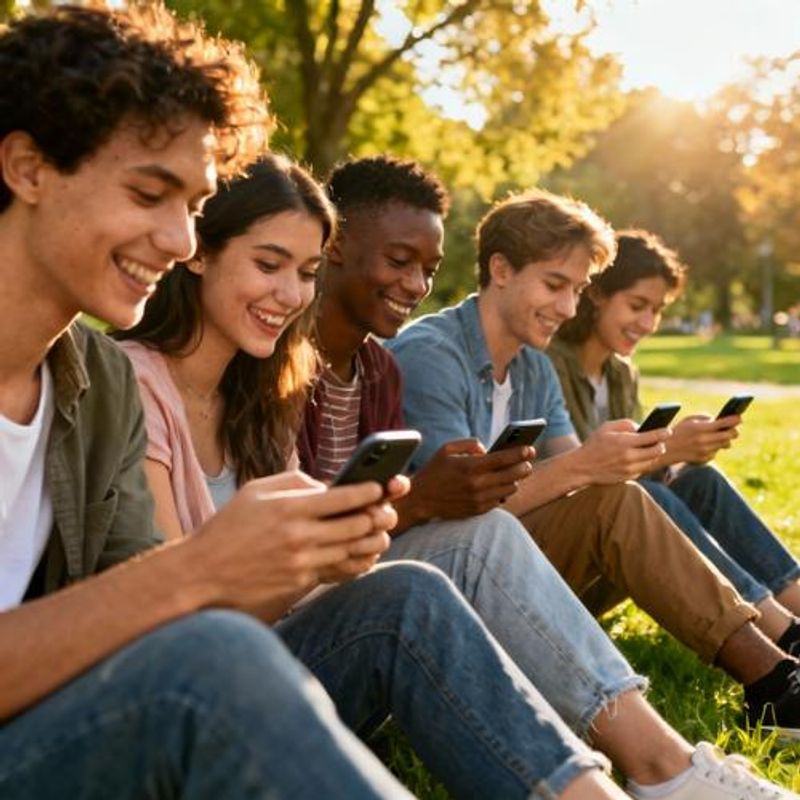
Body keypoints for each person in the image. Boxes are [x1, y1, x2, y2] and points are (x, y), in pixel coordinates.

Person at [0, 7, 620, 800]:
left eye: (193, 207)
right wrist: (200, 569)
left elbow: (139, 623)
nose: (181, 241)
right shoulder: (136, 377)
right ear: (27, 168)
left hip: (95, 725)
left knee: (399, 594)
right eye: (150, 193)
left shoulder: (96, 385)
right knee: (215, 661)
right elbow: (171, 618)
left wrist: (299, 558)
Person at [114, 153, 629, 799]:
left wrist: (341, 546)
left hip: (277, 653)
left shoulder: (264, 394)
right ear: (198, 252)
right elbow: (174, 620)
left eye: (306, 273)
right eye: (269, 265)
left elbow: (293, 592)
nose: (292, 295)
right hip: (189, 690)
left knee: (411, 585)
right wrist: (313, 555)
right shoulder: (133, 383)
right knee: (408, 593)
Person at [301, 154, 798, 799]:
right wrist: (588, 466)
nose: (567, 307)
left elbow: (573, 473)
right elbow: (462, 511)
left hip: (494, 570)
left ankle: (771, 668)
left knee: (625, 496)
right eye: (555, 285)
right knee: (596, 506)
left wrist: (630, 456)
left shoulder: (530, 367)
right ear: (500, 270)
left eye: (577, 291)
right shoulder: (427, 356)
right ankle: (764, 687)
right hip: (436, 580)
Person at [547, 228, 800, 718]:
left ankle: (794, 612)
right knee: (651, 494)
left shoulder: (621, 372)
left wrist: (680, 456)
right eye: (636, 305)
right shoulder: (549, 366)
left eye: (656, 310)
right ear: (596, 295)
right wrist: (666, 450)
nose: (647, 323)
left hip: (622, 539)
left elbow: (639, 474)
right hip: (572, 555)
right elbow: (581, 484)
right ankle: (780, 634)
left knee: (700, 481)